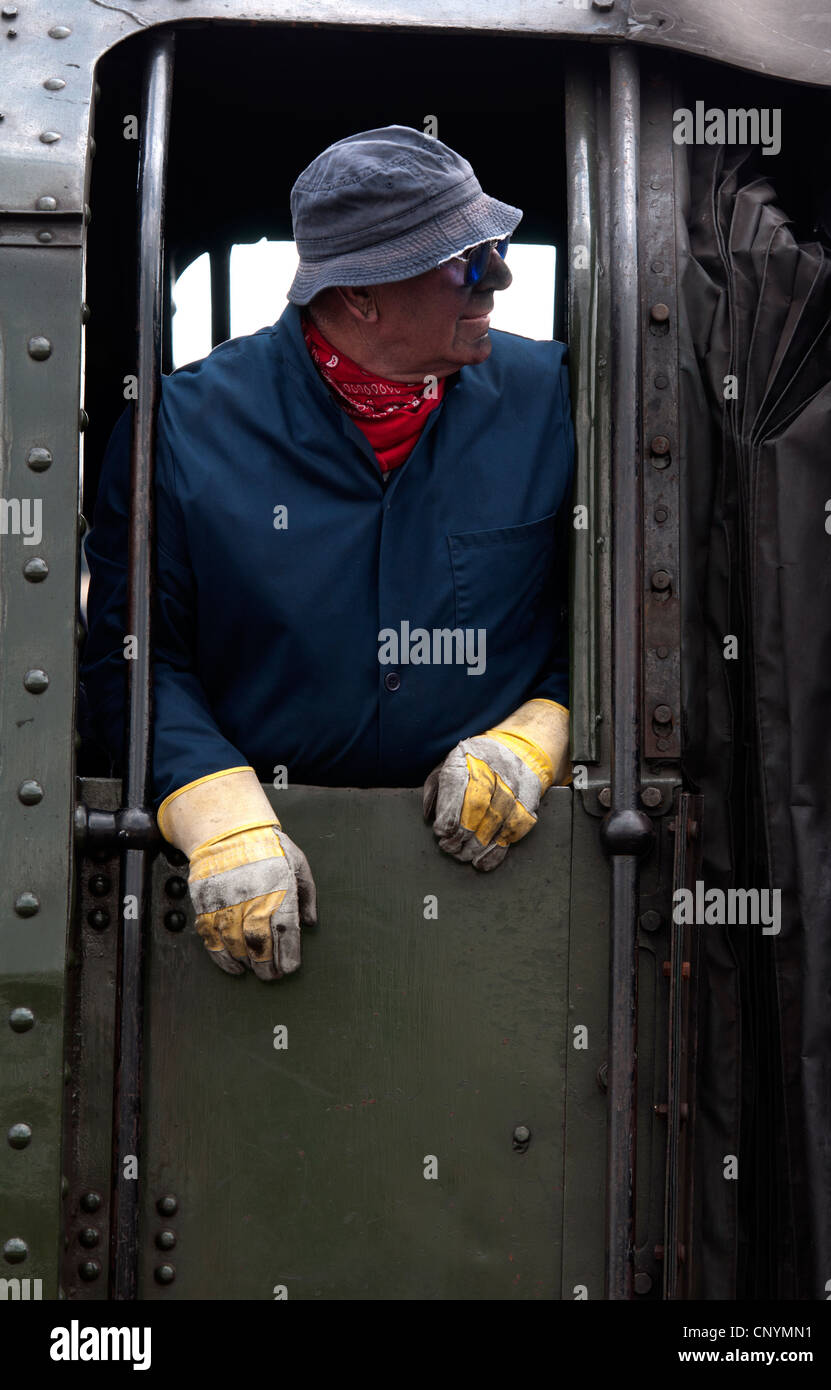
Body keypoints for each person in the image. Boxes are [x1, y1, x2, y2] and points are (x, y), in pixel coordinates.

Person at [82, 126, 574, 982]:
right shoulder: (179, 432)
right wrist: (214, 810)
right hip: (257, 897)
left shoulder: (561, 403)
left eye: (493, 248)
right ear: (358, 297)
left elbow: (627, 621)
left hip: (519, 899)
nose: (497, 275)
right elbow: (131, 662)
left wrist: (543, 732)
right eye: (465, 259)